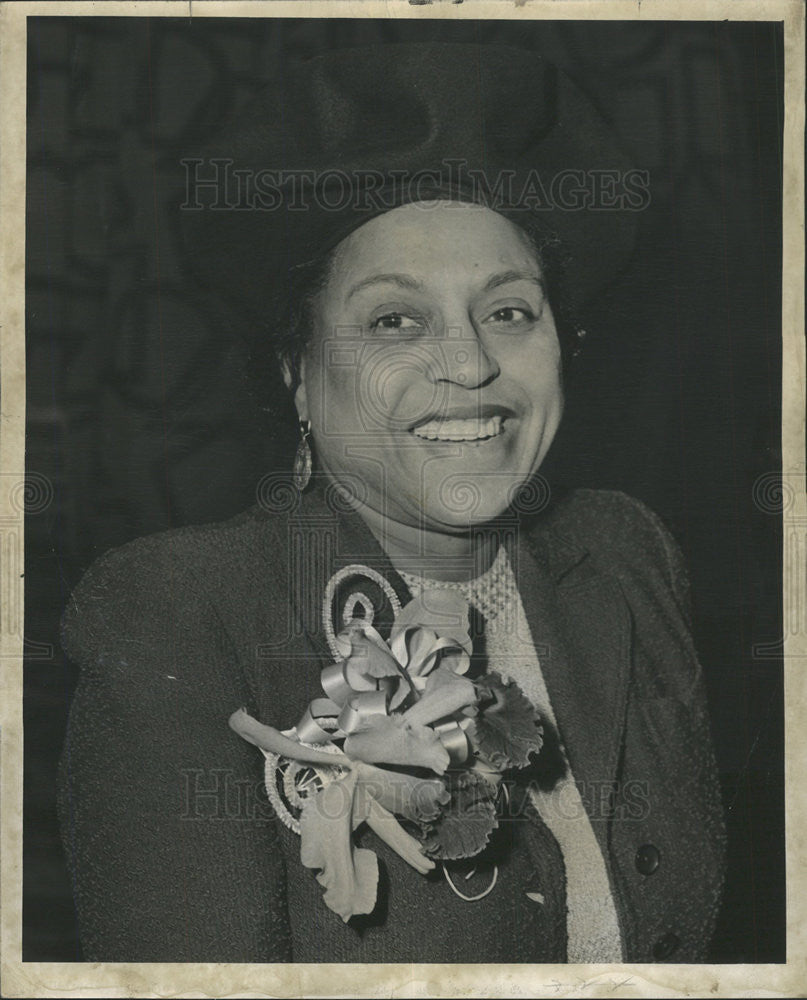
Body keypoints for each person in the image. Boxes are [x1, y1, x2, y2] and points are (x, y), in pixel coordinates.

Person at [57, 40, 726, 964]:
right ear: (298, 374)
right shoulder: (176, 614)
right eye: (394, 321)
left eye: (508, 311)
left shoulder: (625, 554)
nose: (469, 364)